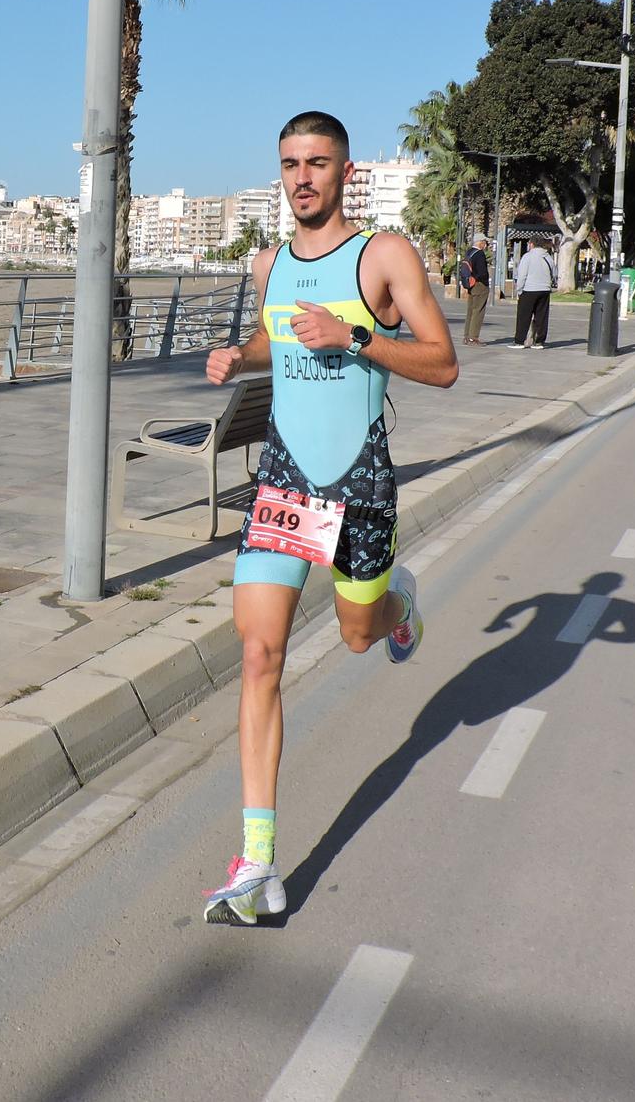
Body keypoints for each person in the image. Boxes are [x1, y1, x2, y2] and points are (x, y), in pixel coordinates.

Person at [201, 110, 459, 925]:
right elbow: (274, 338)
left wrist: (355, 337)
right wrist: (237, 355)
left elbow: (443, 364)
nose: (302, 176)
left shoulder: (382, 255)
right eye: (289, 163)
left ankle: (398, 602)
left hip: (360, 481)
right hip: (284, 481)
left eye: (317, 162)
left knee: (356, 635)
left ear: (347, 172)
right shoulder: (267, 263)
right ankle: (257, 864)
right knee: (258, 655)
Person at [510, 238, 556, 348]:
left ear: (532, 244)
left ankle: (520, 341)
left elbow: (522, 275)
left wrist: (519, 289)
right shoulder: (548, 257)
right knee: (541, 316)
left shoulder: (527, 257)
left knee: (524, 316)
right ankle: (539, 341)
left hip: (529, 289)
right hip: (544, 290)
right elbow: (554, 273)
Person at [462, 235, 491, 343]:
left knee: (470, 310)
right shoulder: (479, 254)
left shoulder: (469, 252)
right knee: (478, 310)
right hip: (479, 285)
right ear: (480, 242)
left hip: (471, 284)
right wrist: (483, 279)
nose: (486, 245)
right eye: (485, 242)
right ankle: (473, 337)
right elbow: (482, 272)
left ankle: (467, 336)